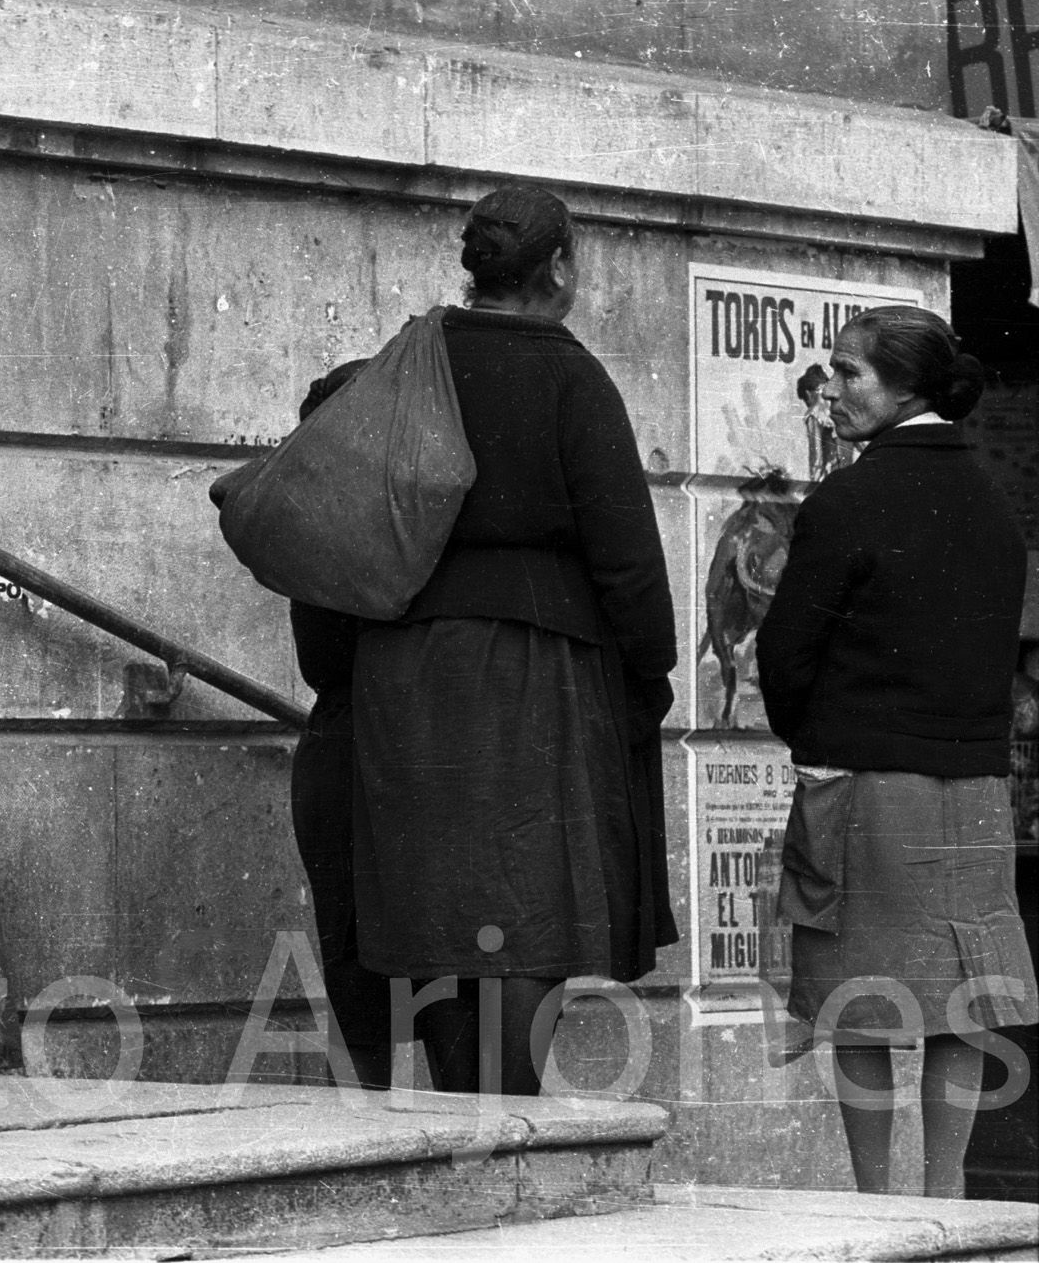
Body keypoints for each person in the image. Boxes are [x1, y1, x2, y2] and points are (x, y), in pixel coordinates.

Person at [349, 184, 678, 1093]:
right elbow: (629, 563)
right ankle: (504, 1109)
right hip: (534, 668)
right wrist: (648, 675)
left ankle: (464, 1103)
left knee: (439, 897)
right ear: (560, 266)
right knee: (529, 899)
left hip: (406, 667)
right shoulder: (570, 376)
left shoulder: (407, 361)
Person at [756, 304, 1038, 1197]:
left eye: (850, 374)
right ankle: (947, 1197)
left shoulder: (848, 498)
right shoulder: (993, 502)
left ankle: (879, 1203)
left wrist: (822, 738)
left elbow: (785, 654)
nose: (830, 389)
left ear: (906, 387)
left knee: (865, 999)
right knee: (960, 997)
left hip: (868, 783)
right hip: (977, 790)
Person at [286, 361, 392, 1089]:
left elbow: (319, 658)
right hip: (389, 751)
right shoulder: (418, 512)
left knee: (359, 989)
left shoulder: (317, 517)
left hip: (342, 747)